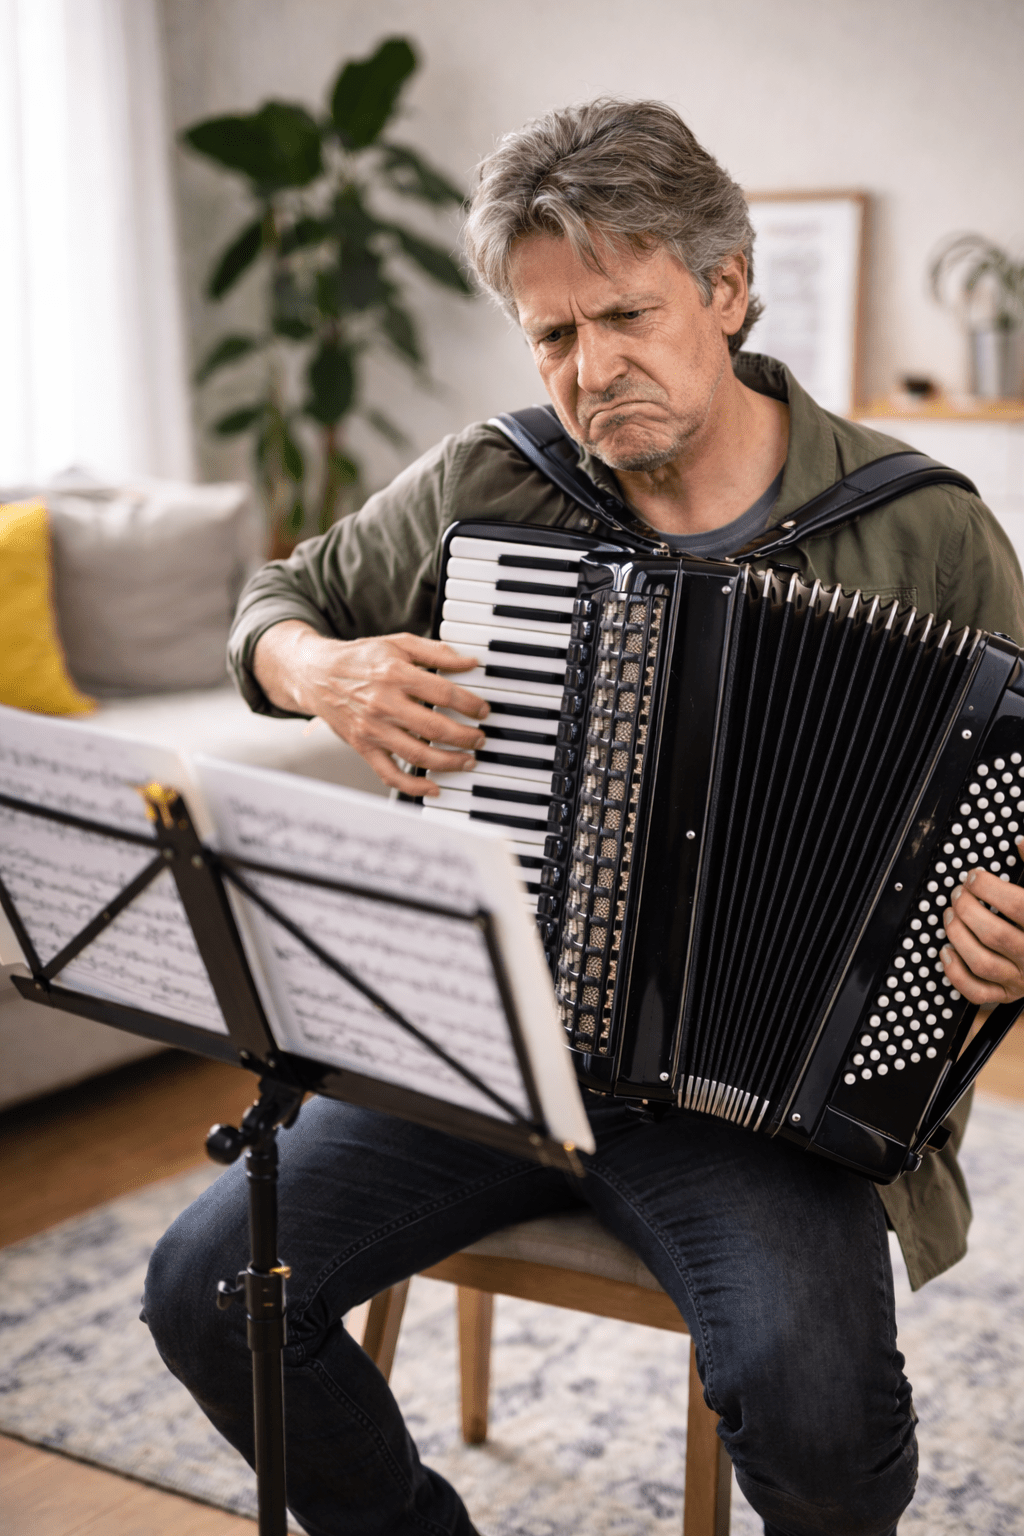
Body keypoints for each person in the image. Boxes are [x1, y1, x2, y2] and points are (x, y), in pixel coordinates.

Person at [144, 99, 1024, 1536]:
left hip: (768, 1108)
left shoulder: (920, 525)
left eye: (626, 315)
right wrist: (326, 671)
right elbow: (275, 602)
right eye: (553, 336)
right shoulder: (494, 482)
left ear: (728, 290)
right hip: (485, 1049)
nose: (591, 370)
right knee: (206, 1290)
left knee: (819, 1418)